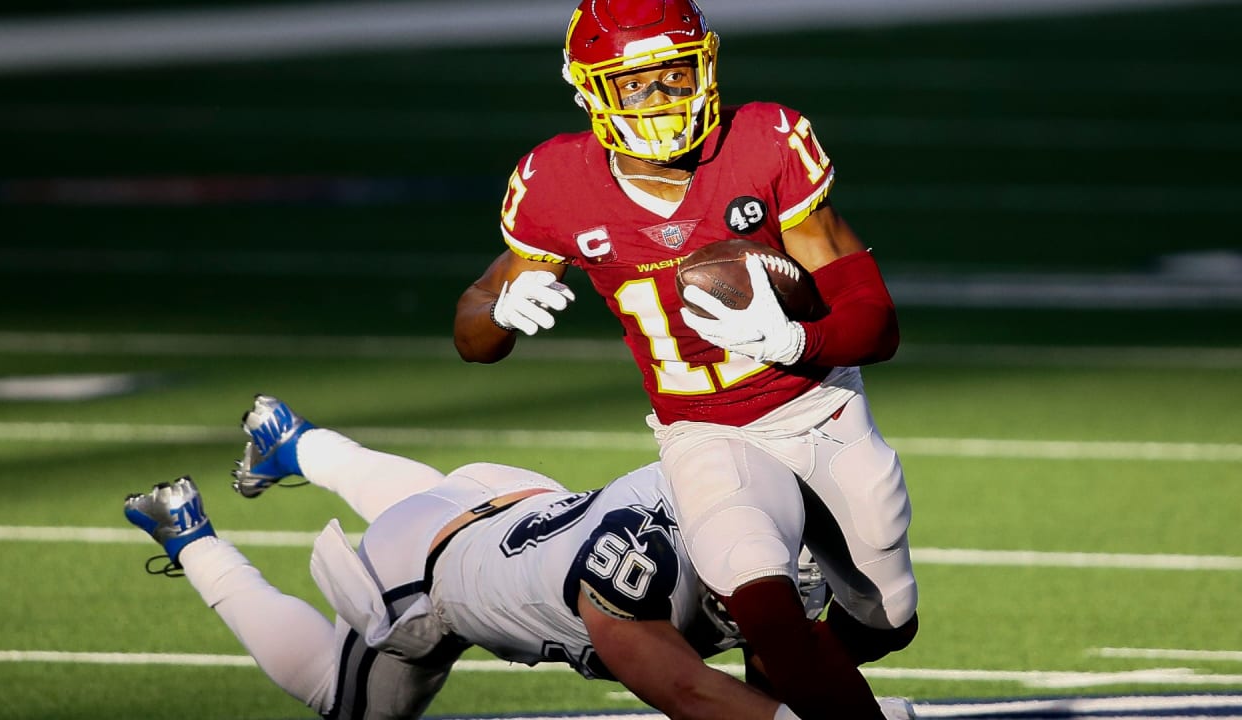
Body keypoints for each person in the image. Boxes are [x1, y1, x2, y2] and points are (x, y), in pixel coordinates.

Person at [452, 2, 919, 718]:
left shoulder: (764, 141)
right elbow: (472, 333)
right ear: (590, 92)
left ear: (705, 63)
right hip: (704, 429)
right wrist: (500, 313)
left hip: (816, 404)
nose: (662, 99)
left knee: (887, 622)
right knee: (764, 600)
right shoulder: (555, 182)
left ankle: (780, 689)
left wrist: (797, 341)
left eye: (674, 76)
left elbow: (875, 320)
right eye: (634, 84)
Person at [124, 395, 915, 720]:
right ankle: (191, 534)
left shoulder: (733, 507)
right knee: (344, 697)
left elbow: (784, 658)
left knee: (441, 504)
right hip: (423, 577)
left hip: (512, 507)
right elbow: (683, 689)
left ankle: (295, 442)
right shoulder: (634, 573)